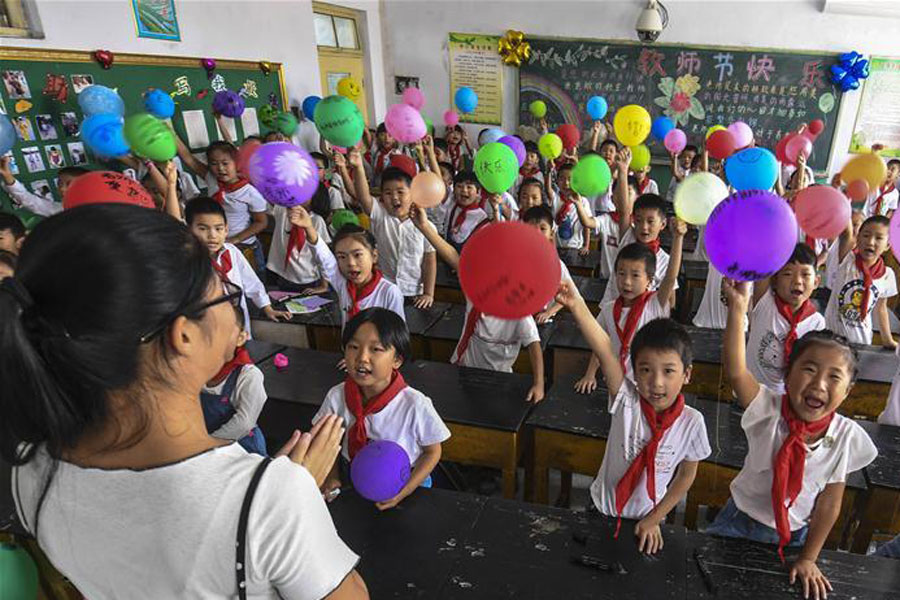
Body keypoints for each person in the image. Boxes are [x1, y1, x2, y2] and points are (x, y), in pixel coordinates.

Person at [1, 203, 367, 598]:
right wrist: (294, 502)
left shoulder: (32, 468)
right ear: (184, 336)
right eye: (223, 294)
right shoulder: (268, 500)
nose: (233, 305)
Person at [716, 278, 877, 600]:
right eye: (809, 369)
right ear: (787, 375)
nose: (819, 383)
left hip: (794, 537)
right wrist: (737, 308)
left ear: (847, 392)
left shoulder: (845, 437)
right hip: (738, 522)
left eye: (834, 377)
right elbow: (736, 373)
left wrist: (808, 558)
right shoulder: (769, 409)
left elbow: (830, 503)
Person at [554, 282, 710, 555]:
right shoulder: (626, 400)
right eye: (646, 370)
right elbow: (604, 348)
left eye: (669, 371)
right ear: (634, 373)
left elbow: (686, 475)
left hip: (648, 518)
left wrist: (655, 518)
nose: (657, 382)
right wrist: (576, 305)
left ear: (687, 374)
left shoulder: (692, 423)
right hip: (601, 508)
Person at [314, 308, 450, 509]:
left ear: (397, 360)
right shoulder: (337, 396)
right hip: (353, 478)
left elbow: (432, 452)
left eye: (376, 349)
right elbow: (326, 442)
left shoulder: (414, 404)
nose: (362, 357)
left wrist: (403, 493)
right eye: (353, 347)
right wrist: (332, 478)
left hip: (406, 484)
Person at [411, 205, 545, 402]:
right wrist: (423, 226)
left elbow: (534, 346)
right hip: (462, 367)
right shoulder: (477, 289)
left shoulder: (518, 313)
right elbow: (453, 256)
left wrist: (539, 384)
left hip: (498, 377)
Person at [575, 218, 685, 392]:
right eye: (621, 274)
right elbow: (600, 344)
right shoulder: (609, 309)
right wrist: (590, 374)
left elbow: (671, 277)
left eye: (635, 275)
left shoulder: (655, 303)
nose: (626, 282)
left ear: (649, 280)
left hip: (649, 386)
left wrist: (678, 238)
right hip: (616, 383)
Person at [345, 150, 437, 308]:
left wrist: (428, 293)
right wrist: (358, 167)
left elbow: (429, 261)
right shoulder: (380, 215)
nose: (394, 197)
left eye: (400, 192)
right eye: (388, 193)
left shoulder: (426, 226)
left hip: (413, 292)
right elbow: (363, 197)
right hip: (383, 288)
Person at [185, 198, 290, 334]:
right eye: (203, 229)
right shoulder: (189, 261)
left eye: (218, 228)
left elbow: (251, 282)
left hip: (239, 326)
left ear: (226, 229)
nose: (212, 235)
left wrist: (267, 308)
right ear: (188, 230)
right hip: (209, 330)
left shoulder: (232, 252)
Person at [289, 205, 405, 327]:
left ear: (374, 256)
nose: (350, 263)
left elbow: (397, 333)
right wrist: (308, 227)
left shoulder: (389, 292)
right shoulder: (343, 284)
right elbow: (324, 258)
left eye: (357, 255)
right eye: (342, 257)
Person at [176, 140, 269, 274]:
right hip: (218, 245)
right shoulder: (212, 179)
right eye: (214, 163)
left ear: (237, 163)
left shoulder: (249, 192)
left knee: (252, 286)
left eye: (225, 163)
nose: (220, 168)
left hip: (244, 247)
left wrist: (236, 239)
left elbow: (261, 222)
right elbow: (188, 158)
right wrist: (171, 132)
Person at [747, 244, 826, 395]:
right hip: (751, 395)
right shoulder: (764, 302)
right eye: (788, 274)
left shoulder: (817, 323)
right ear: (774, 281)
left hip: (787, 401)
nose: (797, 281)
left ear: (816, 282)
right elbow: (764, 257)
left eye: (805, 275)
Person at [200, 308, 268, 456]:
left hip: (242, 450)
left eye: (224, 331)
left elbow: (244, 422)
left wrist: (206, 446)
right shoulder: (198, 370)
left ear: (241, 338)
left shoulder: (249, 375)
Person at [824, 215, 897, 348]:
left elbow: (881, 309)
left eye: (878, 238)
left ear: (887, 245)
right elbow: (846, 233)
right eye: (866, 235)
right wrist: (842, 204)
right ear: (857, 238)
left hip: (861, 340)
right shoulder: (847, 258)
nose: (870, 242)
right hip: (832, 337)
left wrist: (887, 340)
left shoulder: (887, 275)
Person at [266, 188, 331, 294]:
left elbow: (324, 256)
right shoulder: (283, 211)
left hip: (309, 279)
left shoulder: (317, 221)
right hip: (283, 276)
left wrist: (324, 285)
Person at [522, 205, 573, 324]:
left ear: (551, 233)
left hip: (545, 320)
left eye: (543, 228)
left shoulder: (557, 265)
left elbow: (568, 293)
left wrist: (549, 312)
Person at [0, 157, 87, 217]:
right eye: (59, 184)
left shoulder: (97, 212)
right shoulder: (59, 209)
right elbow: (29, 200)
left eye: (69, 184)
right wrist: (7, 175)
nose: (62, 189)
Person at [550, 162, 592, 255]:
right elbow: (548, 188)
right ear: (557, 181)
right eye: (562, 179)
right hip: (557, 247)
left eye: (570, 179)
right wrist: (548, 171)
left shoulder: (583, 201)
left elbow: (586, 226)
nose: (566, 183)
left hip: (575, 248)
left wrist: (586, 245)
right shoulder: (556, 198)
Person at [444, 171, 491, 251]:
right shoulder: (451, 208)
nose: (464, 190)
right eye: (459, 186)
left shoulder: (482, 219)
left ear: (478, 192)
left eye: (469, 187)